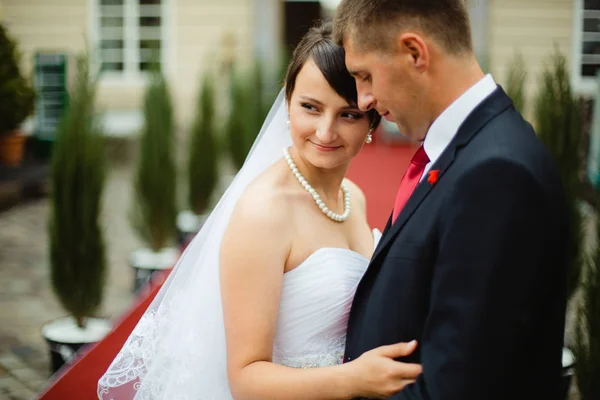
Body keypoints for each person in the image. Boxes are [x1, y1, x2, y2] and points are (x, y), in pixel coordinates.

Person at [97, 22, 422, 400]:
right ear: (288, 103)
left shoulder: (354, 197)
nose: (325, 131)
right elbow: (246, 379)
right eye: (310, 108)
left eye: (347, 114)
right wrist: (353, 379)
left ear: (371, 119)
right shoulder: (264, 212)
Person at [332, 1, 570, 399]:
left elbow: (458, 387)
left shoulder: (495, 174)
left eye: (365, 75)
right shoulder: (469, 151)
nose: (364, 99)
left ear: (415, 53)